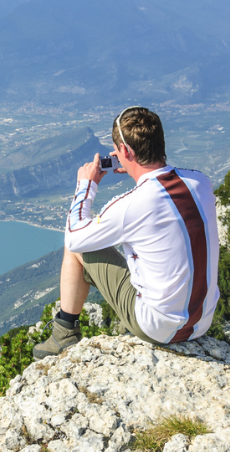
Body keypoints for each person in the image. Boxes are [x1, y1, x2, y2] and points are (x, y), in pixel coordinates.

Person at [34, 106, 220, 359]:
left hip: (159, 327)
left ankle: (63, 334)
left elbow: (74, 235)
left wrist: (85, 187)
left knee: (75, 247)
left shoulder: (134, 204)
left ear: (125, 151)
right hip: (201, 321)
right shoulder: (200, 181)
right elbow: (162, 200)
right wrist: (136, 170)